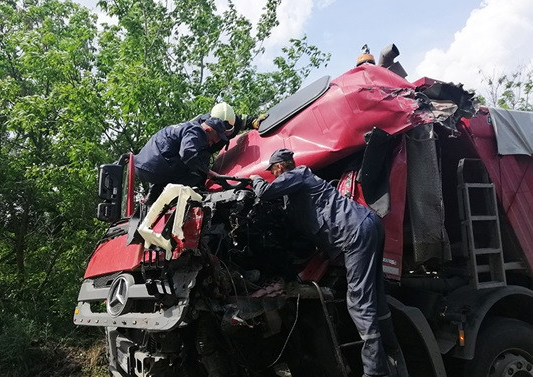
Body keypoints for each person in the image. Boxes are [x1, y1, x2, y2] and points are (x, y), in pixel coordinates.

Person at [250, 148, 408, 377]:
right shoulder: (296, 191)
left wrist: (255, 180)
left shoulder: (300, 173)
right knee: (376, 296)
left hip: (354, 233)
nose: (274, 175)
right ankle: (393, 351)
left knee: (358, 302)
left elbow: (265, 192)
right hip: (367, 225)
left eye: (273, 171)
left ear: (281, 166)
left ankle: (375, 372)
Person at [134, 112, 229, 204]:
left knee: (192, 164)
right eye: (212, 140)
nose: (211, 144)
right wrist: (209, 173)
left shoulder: (187, 126)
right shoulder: (197, 131)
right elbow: (187, 154)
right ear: (208, 129)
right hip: (155, 167)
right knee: (196, 174)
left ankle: (155, 192)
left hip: (142, 165)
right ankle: (190, 202)